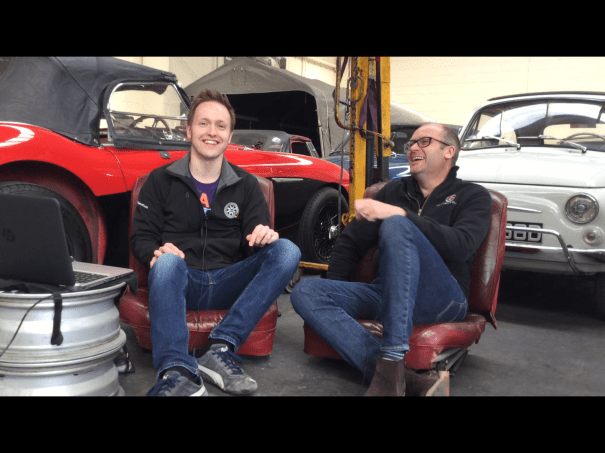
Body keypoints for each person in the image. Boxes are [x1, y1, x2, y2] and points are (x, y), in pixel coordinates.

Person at [290, 123, 492, 396]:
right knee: (306, 291)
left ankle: (393, 356)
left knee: (397, 224)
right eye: (410, 143)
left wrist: (401, 215)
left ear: (449, 151)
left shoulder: (473, 196)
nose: (413, 148)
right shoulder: (393, 192)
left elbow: (462, 247)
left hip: (442, 298)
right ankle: (402, 377)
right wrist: (339, 292)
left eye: (424, 141)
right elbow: (350, 243)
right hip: (386, 292)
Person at [131, 89, 301, 396]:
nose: (212, 132)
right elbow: (141, 238)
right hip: (180, 279)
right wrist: (156, 253)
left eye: (221, 126)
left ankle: (220, 348)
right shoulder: (159, 180)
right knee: (167, 263)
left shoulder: (247, 185)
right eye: (204, 123)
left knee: (287, 250)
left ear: (230, 135)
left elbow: (256, 233)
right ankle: (177, 371)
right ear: (189, 130)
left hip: (228, 282)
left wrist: (264, 237)